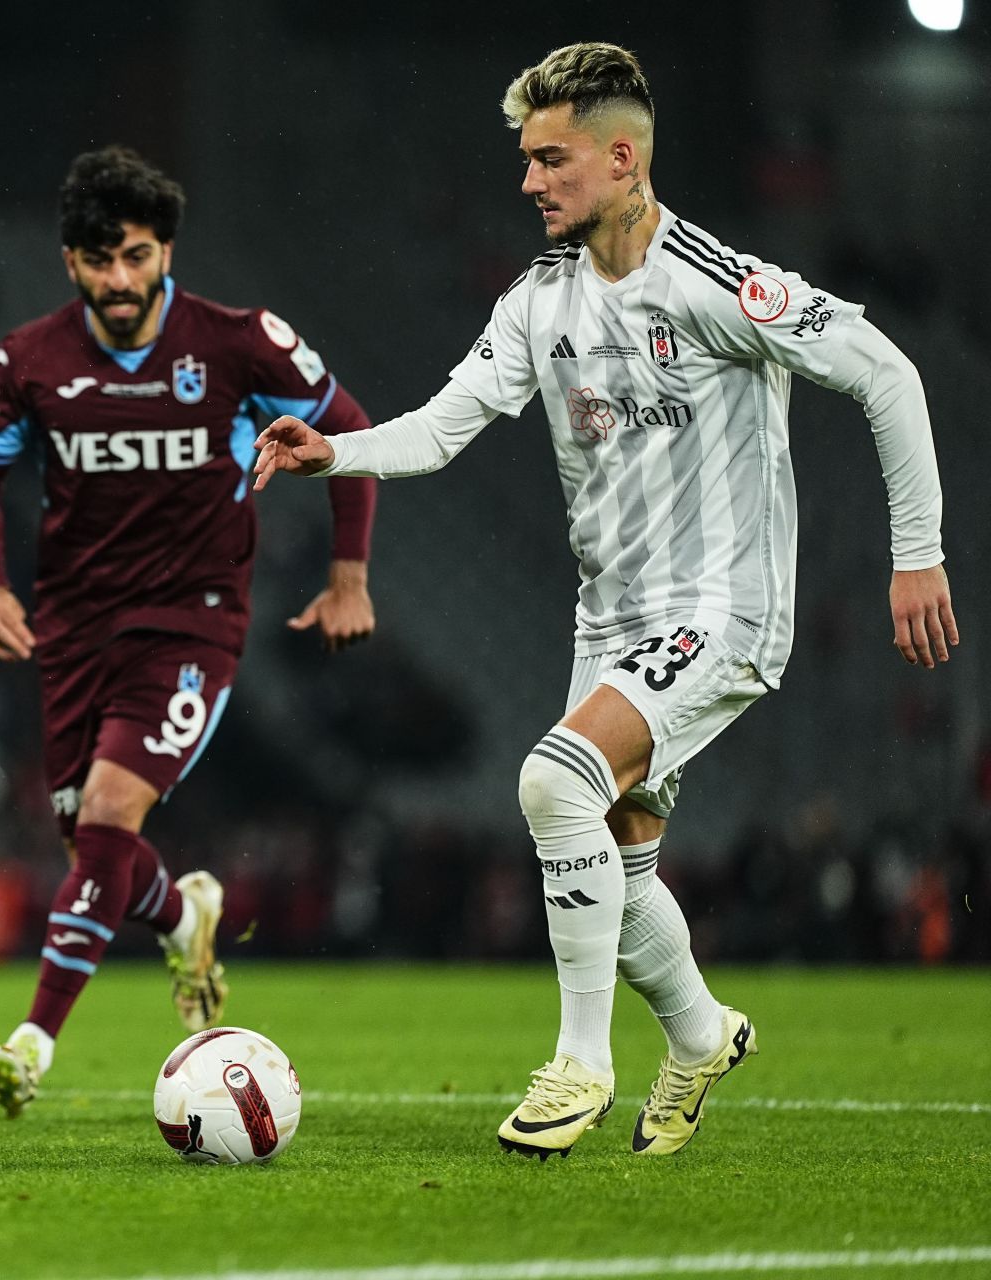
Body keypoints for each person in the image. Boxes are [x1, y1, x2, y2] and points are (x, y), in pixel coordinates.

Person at [254, 43, 956, 1159]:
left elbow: (889, 373)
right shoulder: (540, 300)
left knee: (551, 778)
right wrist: (328, 450)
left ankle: (580, 1060)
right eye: (527, 162)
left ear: (622, 158)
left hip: (722, 607)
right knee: (620, 871)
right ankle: (702, 1030)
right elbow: (443, 426)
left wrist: (914, 553)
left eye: (551, 160)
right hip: (611, 618)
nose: (529, 183)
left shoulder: (721, 285)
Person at [0, 145, 379, 1117]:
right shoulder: (29, 359)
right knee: (90, 846)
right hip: (71, 629)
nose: (119, 279)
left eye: (136, 257)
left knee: (106, 815)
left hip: (194, 622)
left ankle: (33, 1039)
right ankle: (185, 912)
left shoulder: (239, 343)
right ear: (70, 261)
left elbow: (347, 435)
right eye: (99, 260)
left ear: (166, 252)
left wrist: (347, 574)